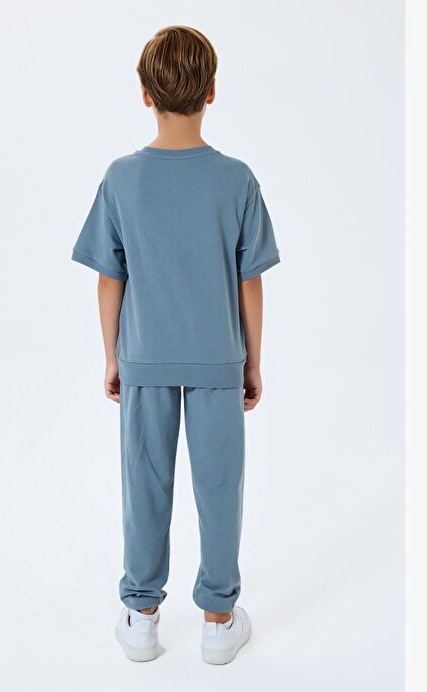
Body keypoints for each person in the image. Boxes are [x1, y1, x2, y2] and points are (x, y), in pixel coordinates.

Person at [72, 25, 280, 665]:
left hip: (145, 358)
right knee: (220, 484)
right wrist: (252, 361)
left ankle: (141, 617)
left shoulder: (121, 178)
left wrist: (113, 355)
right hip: (219, 358)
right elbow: (250, 283)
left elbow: (110, 279)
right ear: (212, 91)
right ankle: (218, 620)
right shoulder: (237, 180)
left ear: (145, 94)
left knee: (145, 483)